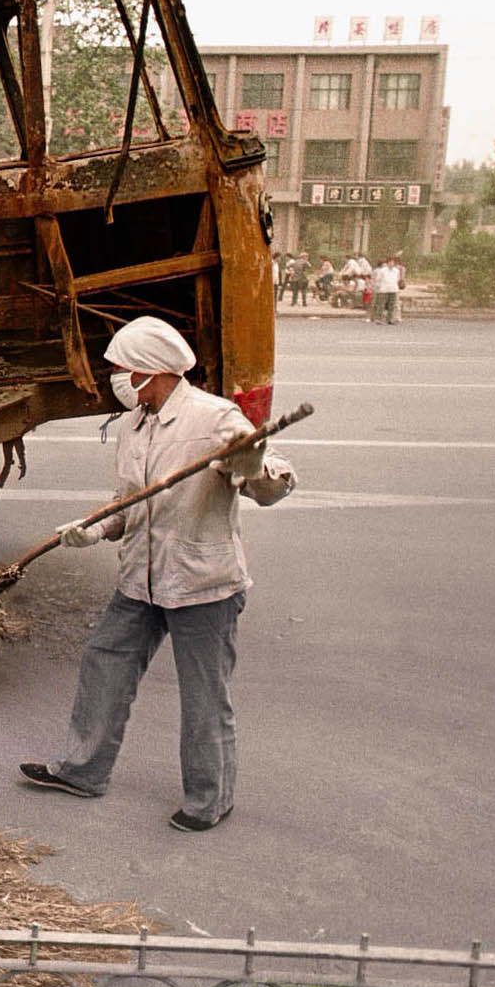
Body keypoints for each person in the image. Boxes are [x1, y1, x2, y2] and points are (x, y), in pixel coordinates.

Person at [20, 316, 297, 832]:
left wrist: (253, 465)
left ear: (152, 370)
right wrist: (96, 528)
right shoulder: (133, 426)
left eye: (122, 370)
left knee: (204, 696)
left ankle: (209, 800)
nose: (117, 380)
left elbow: (270, 485)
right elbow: (129, 503)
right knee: (103, 663)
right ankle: (82, 771)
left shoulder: (214, 418)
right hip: (140, 580)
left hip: (202, 584)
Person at [371, 254, 403, 324]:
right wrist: (378, 287)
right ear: (387, 263)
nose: (391, 264)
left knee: (392, 305)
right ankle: (379, 319)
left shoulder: (396, 271)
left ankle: (390, 319)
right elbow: (378, 279)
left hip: (393, 289)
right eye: (390, 262)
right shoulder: (382, 270)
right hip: (384, 289)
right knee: (381, 305)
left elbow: (397, 279)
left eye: (393, 262)